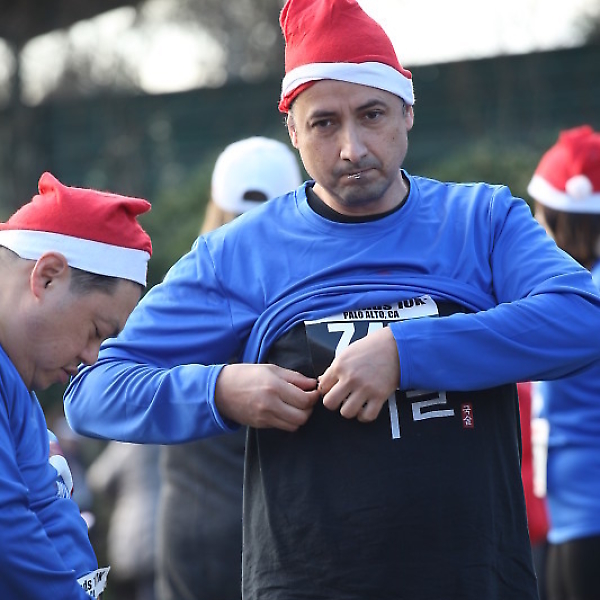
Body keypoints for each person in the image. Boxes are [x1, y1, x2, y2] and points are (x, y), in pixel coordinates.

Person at [63, 0, 600, 597]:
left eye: (372, 114)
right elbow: (96, 391)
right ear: (293, 132)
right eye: (324, 123)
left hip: (477, 579)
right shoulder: (239, 253)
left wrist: (405, 351)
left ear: (408, 111)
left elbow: (583, 318)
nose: (353, 148)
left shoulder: (483, 219)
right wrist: (222, 391)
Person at [156, 136, 302, 600]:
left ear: (214, 204)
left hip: (194, 527)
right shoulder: (311, 295)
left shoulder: (182, 292)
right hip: (290, 531)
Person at [0, 171, 151, 599]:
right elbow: (6, 521)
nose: (92, 356)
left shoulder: (18, 387)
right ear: (47, 276)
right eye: (96, 331)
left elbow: (46, 508)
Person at [527, 125, 600, 600]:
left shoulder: (581, 298)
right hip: (567, 509)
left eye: (538, 213)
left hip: (588, 512)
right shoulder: (573, 287)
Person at [87, 441, 160, 600]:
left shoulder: (128, 442)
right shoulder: (171, 439)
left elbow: (98, 478)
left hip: (133, 535)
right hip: (164, 533)